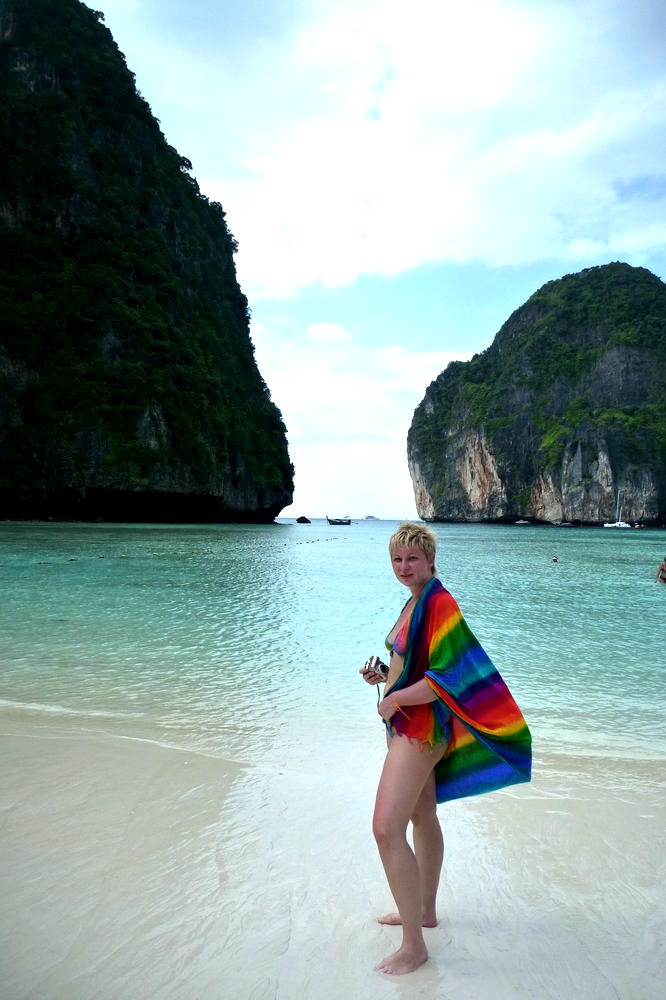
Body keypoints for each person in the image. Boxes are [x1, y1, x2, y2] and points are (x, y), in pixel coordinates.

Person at [360, 522, 532, 976]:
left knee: (385, 829)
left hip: (418, 729)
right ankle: (425, 912)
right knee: (422, 816)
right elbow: (415, 666)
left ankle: (413, 947)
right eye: (397, 559)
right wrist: (385, 678)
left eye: (412, 559)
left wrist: (395, 699)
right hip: (408, 724)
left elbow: (446, 679)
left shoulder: (440, 602)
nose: (403, 567)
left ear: (431, 560)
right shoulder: (415, 600)